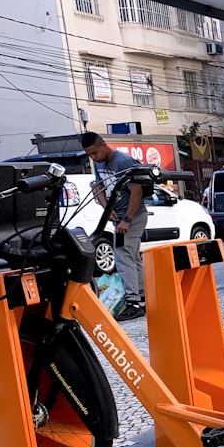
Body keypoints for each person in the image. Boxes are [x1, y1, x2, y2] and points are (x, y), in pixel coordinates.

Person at [82, 131, 148, 321]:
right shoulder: (98, 162)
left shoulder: (123, 161)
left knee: (122, 255)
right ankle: (142, 297)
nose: (93, 158)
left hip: (133, 216)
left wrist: (127, 219)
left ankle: (133, 303)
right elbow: (99, 187)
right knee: (132, 256)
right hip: (118, 217)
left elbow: (137, 193)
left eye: (94, 153)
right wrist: (107, 208)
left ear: (103, 145)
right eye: (89, 154)